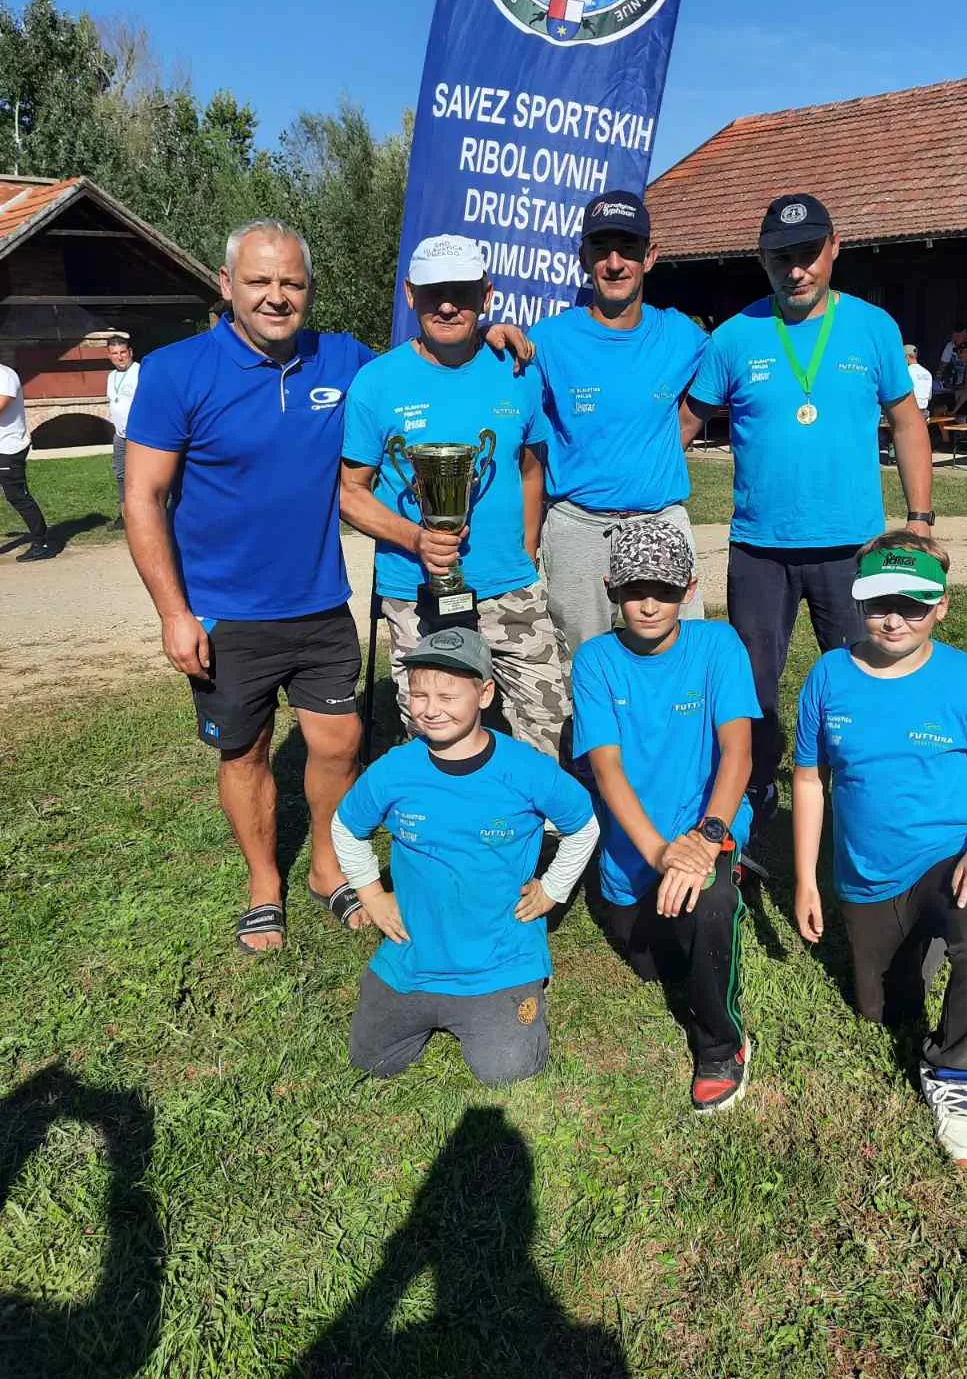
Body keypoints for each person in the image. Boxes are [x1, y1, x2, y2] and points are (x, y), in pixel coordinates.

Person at [123, 219, 376, 955]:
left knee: (339, 741)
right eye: (260, 282)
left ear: (308, 291)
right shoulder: (176, 372)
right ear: (226, 285)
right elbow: (143, 498)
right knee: (246, 752)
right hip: (224, 613)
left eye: (291, 284)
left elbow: (422, 370)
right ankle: (264, 882)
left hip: (322, 602)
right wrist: (175, 614)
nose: (276, 297)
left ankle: (326, 869)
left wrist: (488, 336)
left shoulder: (345, 360)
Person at [681, 193, 934, 835]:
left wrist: (920, 518)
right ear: (762, 260)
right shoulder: (735, 336)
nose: (796, 270)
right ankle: (754, 797)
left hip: (851, 548)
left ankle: (865, 789)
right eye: (781, 258)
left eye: (807, 254)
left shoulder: (873, 328)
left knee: (866, 671)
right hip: (759, 550)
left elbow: (907, 423)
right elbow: (682, 426)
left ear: (834, 247)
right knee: (753, 687)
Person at [792, 531, 967, 1169]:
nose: (894, 617)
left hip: (949, 858)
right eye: (878, 601)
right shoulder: (829, 675)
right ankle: (911, 947)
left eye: (914, 604)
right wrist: (807, 881)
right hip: (867, 877)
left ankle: (955, 1077)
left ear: (941, 607)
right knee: (883, 1011)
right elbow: (810, 779)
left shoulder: (963, 680)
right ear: (856, 599)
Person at [333, 628, 598, 1085]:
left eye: (448, 696)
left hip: (498, 957)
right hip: (413, 952)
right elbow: (345, 827)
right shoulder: (395, 769)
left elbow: (584, 826)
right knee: (371, 1060)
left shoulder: (526, 768)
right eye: (419, 694)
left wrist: (552, 889)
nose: (431, 709)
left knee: (508, 1070)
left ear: (485, 693)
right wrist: (372, 895)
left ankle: (523, 983)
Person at [340, 235, 568, 758]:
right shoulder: (377, 382)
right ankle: (445, 835)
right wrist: (416, 539)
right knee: (435, 730)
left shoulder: (517, 368)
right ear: (410, 294)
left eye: (462, 292)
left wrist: (527, 551)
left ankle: (544, 834)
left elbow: (532, 468)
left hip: (510, 586)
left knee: (548, 721)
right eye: (435, 292)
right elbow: (350, 494)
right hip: (414, 591)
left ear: (486, 294)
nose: (448, 305)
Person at [571, 517, 759, 1114]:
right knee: (652, 964)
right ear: (611, 590)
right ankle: (678, 891)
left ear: (689, 588)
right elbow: (608, 772)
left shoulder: (719, 645)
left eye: (665, 589)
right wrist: (658, 853)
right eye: (633, 590)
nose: (649, 604)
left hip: (705, 825)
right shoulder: (594, 661)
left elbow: (738, 753)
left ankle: (721, 1046)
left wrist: (705, 841)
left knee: (707, 906)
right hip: (638, 849)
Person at [532, 190, 708, 668]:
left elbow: (720, 387)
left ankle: (672, 744)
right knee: (579, 663)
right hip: (578, 525)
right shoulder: (546, 340)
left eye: (628, 249)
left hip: (658, 519)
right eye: (602, 249)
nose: (615, 263)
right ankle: (590, 746)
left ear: (649, 257)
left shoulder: (682, 337)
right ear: (583, 257)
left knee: (679, 661)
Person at [0, 352, 55, 561]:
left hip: (9, 447)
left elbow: (2, 404)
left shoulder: (5, 375)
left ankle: (42, 543)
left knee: (17, 496)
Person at [104, 331, 140, 530]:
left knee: (141, 476)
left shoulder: (140, 372)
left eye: (123, 352)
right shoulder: (111, 376)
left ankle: (147, 514)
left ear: (130, 352)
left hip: (138, 436)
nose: (119, 357)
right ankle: (124, 514)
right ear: (109, 355)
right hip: (120, 435)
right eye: (115, 353)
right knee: (120, 475)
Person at [904, 343, 932, 415]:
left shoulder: (906, 372)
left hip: (909, 413)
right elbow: (929, 397)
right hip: (924, 413)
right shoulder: (927, 373)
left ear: (906, 357)